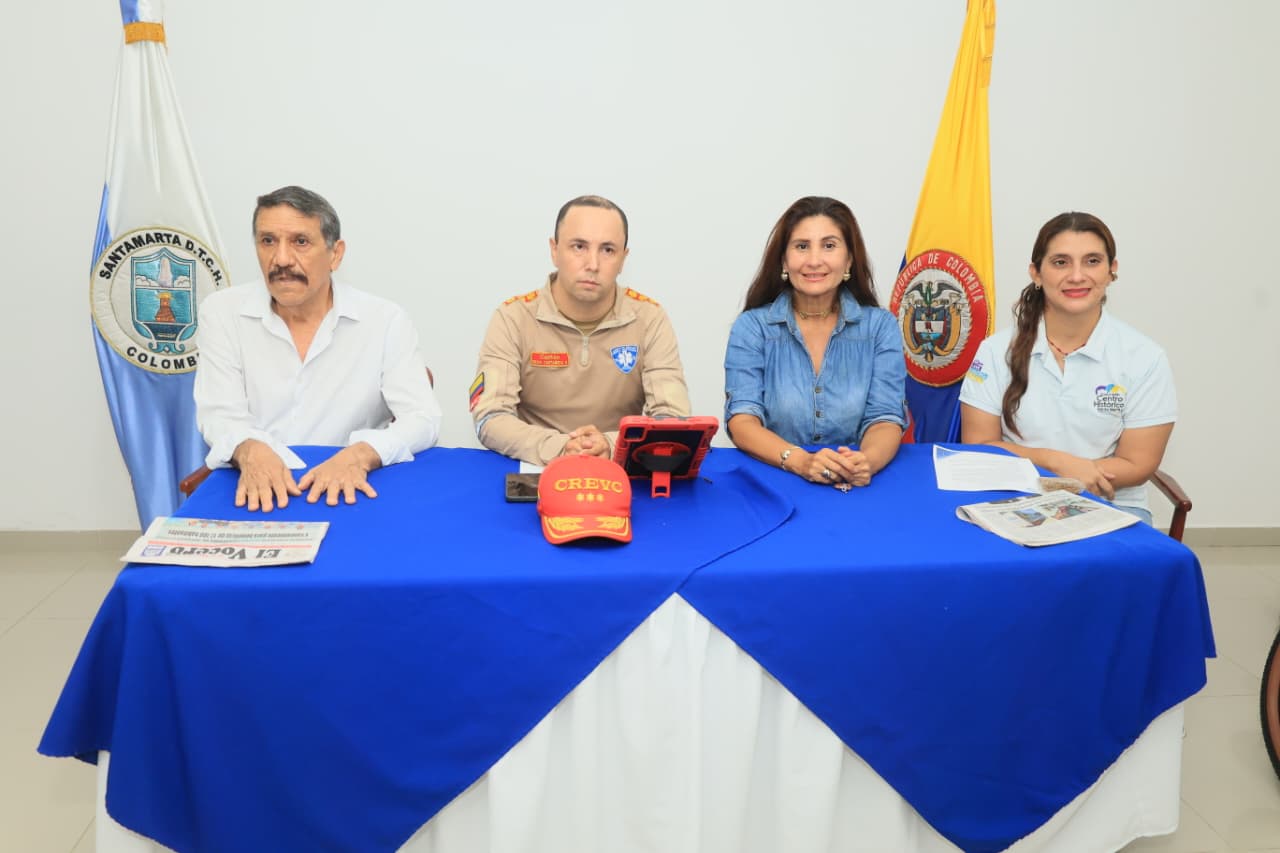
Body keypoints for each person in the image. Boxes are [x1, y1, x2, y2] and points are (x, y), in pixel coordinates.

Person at [194, 186, 442, 512]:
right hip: (254, 484)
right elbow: (219, 414)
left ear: (335, 254)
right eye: (268, 241)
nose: (281, 259)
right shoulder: (222, 312)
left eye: (300, 242)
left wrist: (361, 455)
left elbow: (423, 418)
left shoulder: (384, 320)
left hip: (349, 488)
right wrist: (250, 450)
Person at [959, 212, 1176, 523]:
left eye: (1092, 261)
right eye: (1061, 262)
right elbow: (979, 448)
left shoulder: (1145, 357)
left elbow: (1138, 464)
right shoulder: (995, 352)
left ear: (1111, 271)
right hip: (1013, 499)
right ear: (1036, 273)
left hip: (1110, 501)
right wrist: (1057, 464)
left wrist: (1072, 480)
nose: (1077, 276)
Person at [471, 195, 690, 465]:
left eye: (608, 250)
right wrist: (560, 447)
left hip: (618, 467)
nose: (593, 264)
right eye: (579, 247)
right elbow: (490, 417)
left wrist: (610, 444)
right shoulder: (513, 318)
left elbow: (672, 418)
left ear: (624, 259)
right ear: (554, 250)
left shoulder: (649, 318)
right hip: (535, 466)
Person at [724, 196, 907, 488]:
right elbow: (742, 421)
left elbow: (885, 418)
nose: (814, 260)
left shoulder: (880, 327)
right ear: (784, 260)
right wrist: (801, 462)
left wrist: (865, 462)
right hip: (773, 480)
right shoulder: (752, 327)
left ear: (849, 259)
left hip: (853, 484)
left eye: (829, 245)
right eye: (801, 246)